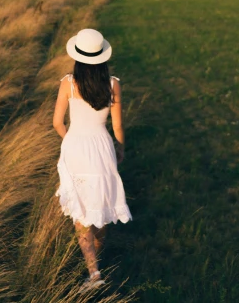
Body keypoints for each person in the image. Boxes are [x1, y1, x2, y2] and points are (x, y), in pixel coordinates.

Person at [53, 28, 132, 292]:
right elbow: (118, 126)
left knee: (81, 211)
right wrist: (119, 149)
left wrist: (69, 140)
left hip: (75, 146)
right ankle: (96, 263)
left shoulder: (68, 83)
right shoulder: (112, 84)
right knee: (101, 205)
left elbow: (56, 122)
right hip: (101, 146)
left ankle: (94, 272)